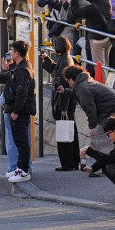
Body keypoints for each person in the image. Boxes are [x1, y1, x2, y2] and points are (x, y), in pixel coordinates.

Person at [0, 40, 36, 182]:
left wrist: (16, 111)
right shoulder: (19, 68)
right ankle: (20, 168)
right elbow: (5, 77)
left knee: (21, 142)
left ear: (17, 53)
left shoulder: (22, 70)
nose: (10, 53)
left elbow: (22, 93)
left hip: (19, 111)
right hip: (16, 109)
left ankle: (24, 171)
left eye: (12, 51)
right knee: (19, 141)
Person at [62, 65, 115, 156]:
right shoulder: (85, 82)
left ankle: (104, 159)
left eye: (68, 81)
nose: (69, 84)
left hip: (112, 109)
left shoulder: (81, 88)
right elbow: (80, 95)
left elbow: (90, 108)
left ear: (72, 79)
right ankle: (108, 158)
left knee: (98, 135)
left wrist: (92, 126)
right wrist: (65, 91)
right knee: (108, 135)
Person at [40, 36, 79, 171]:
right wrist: (47, 60)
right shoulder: (65, 59)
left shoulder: (64, 61)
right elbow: (55, 71)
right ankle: (74, 161)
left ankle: (68, 163)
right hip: (67, 101)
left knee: (65, 133)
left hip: (64, 101)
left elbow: (63, 86)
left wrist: (63, 107)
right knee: (70, 131)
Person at [79, 116, 115, 205]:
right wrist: (91, 168)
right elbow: (108, 158)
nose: (108, 137)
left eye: (108, 134)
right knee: (106, 167)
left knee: (110, 168)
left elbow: (108, 159)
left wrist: (89, 150)